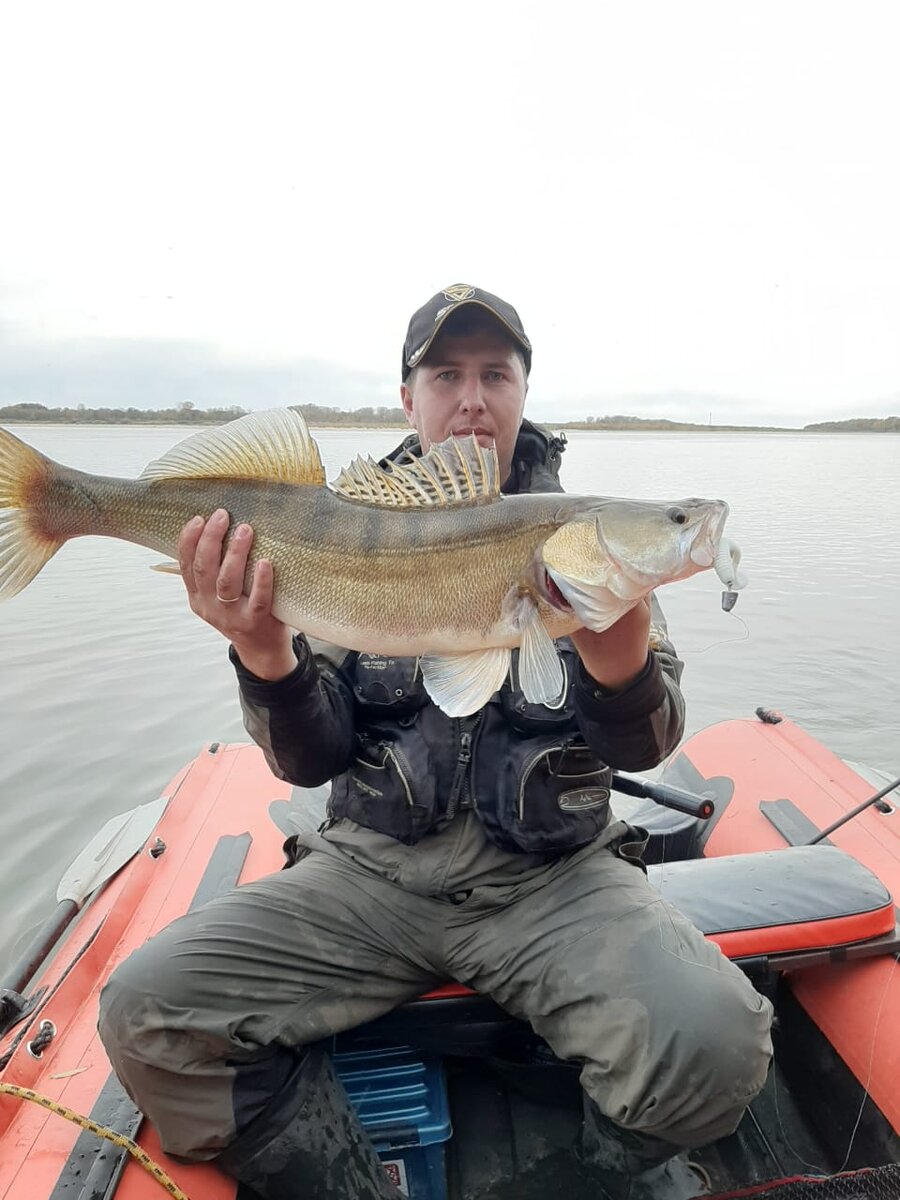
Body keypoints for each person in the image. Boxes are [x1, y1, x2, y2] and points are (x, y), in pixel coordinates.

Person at [98, 285, 774, 1200]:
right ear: (407, 397)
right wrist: (264, 653)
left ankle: (573, 1184)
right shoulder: (350, 524)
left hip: (552, 882)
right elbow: (308, 757)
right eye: (445, 374)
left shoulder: (581, 543)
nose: (472, 398)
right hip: (366, 877)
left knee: (719, 1035)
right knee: (144, 1007)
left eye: (496, 373)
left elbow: (647, 746)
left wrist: (619, 661)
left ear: (525, 389)